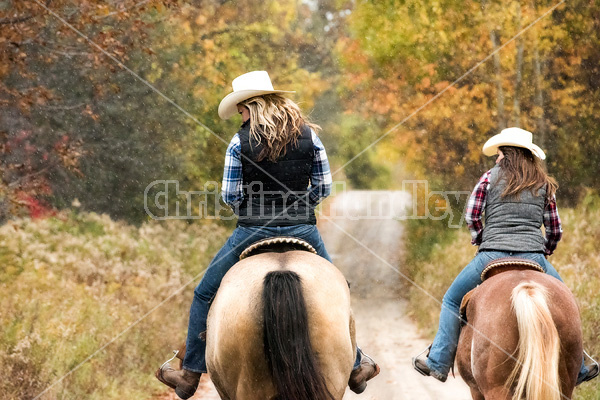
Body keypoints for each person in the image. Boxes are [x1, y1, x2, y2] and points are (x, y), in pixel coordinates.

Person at [155, 71, 379, 399]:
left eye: (241, 110)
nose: (241, 116)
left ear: (253, 105)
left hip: (251, 231)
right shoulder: (309, 136)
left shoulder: (239, 141)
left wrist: (251, 210)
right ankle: (357, 366)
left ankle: (190, 373)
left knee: (204, 292)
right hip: (303, 228)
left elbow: (230, 195)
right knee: (339, 288)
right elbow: (324, 186)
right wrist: (302, 205)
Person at [412, 127, 599, 384]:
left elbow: (471, 216)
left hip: (491, 256)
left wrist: (481, 239)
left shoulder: (489, 178)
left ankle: (439, 361)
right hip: (534, 257)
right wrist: (545, 250)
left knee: (452, 301)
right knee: (567, 303)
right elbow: (555, 229)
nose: (497, 157)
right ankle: (578, 367)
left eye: (499, 152)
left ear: (507, 153)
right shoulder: (544, 184)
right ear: (528, 154)